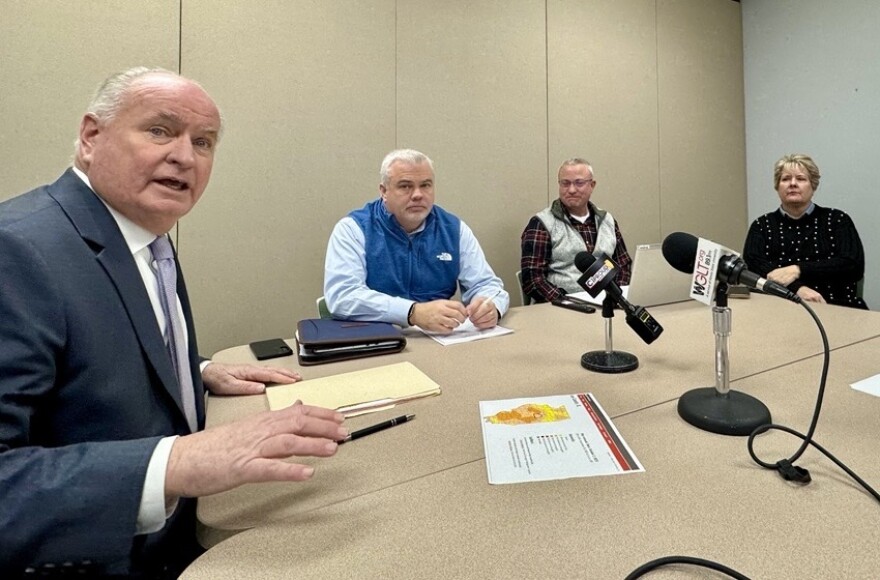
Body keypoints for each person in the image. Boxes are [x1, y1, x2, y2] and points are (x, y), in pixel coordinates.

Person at [0, 67, 348, 578]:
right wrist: (177, 463)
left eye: (203, 142)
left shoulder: (146, 236)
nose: (185, 156)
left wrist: (193, 368)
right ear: (91, 137)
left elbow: (89, 350)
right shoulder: (17, 251)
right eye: (160, 130)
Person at [324, 148, 509, 334]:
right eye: (405, 186)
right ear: (384, 191)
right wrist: (412, 312)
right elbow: (343, 296)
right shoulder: (353, 229)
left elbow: (487, 285)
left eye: (426, 185)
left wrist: (490, 306)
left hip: (440, 340)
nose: (418, 194)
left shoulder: (453, 229)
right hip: (375, 340)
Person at [743, 154, 868, 309]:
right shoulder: (762, 225)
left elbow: (853, 265)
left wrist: (798, 270)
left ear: (813, 185)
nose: (793, 184)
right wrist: (797, 290)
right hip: (778, 312)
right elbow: (753, 271)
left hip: (838, 308)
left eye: (801, 179)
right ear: (777, 186)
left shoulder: (837, 220)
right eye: (786, 179)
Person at [520, 158, 632, 303]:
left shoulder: (607, 220)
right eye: (565, 183)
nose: (571, 190)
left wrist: (617, 297)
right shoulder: (542, 223)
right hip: (562, 307)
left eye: (579, 183)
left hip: (607, 304)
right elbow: (533, 280)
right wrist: (567, 302)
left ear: (592, 185)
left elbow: (623, 265)